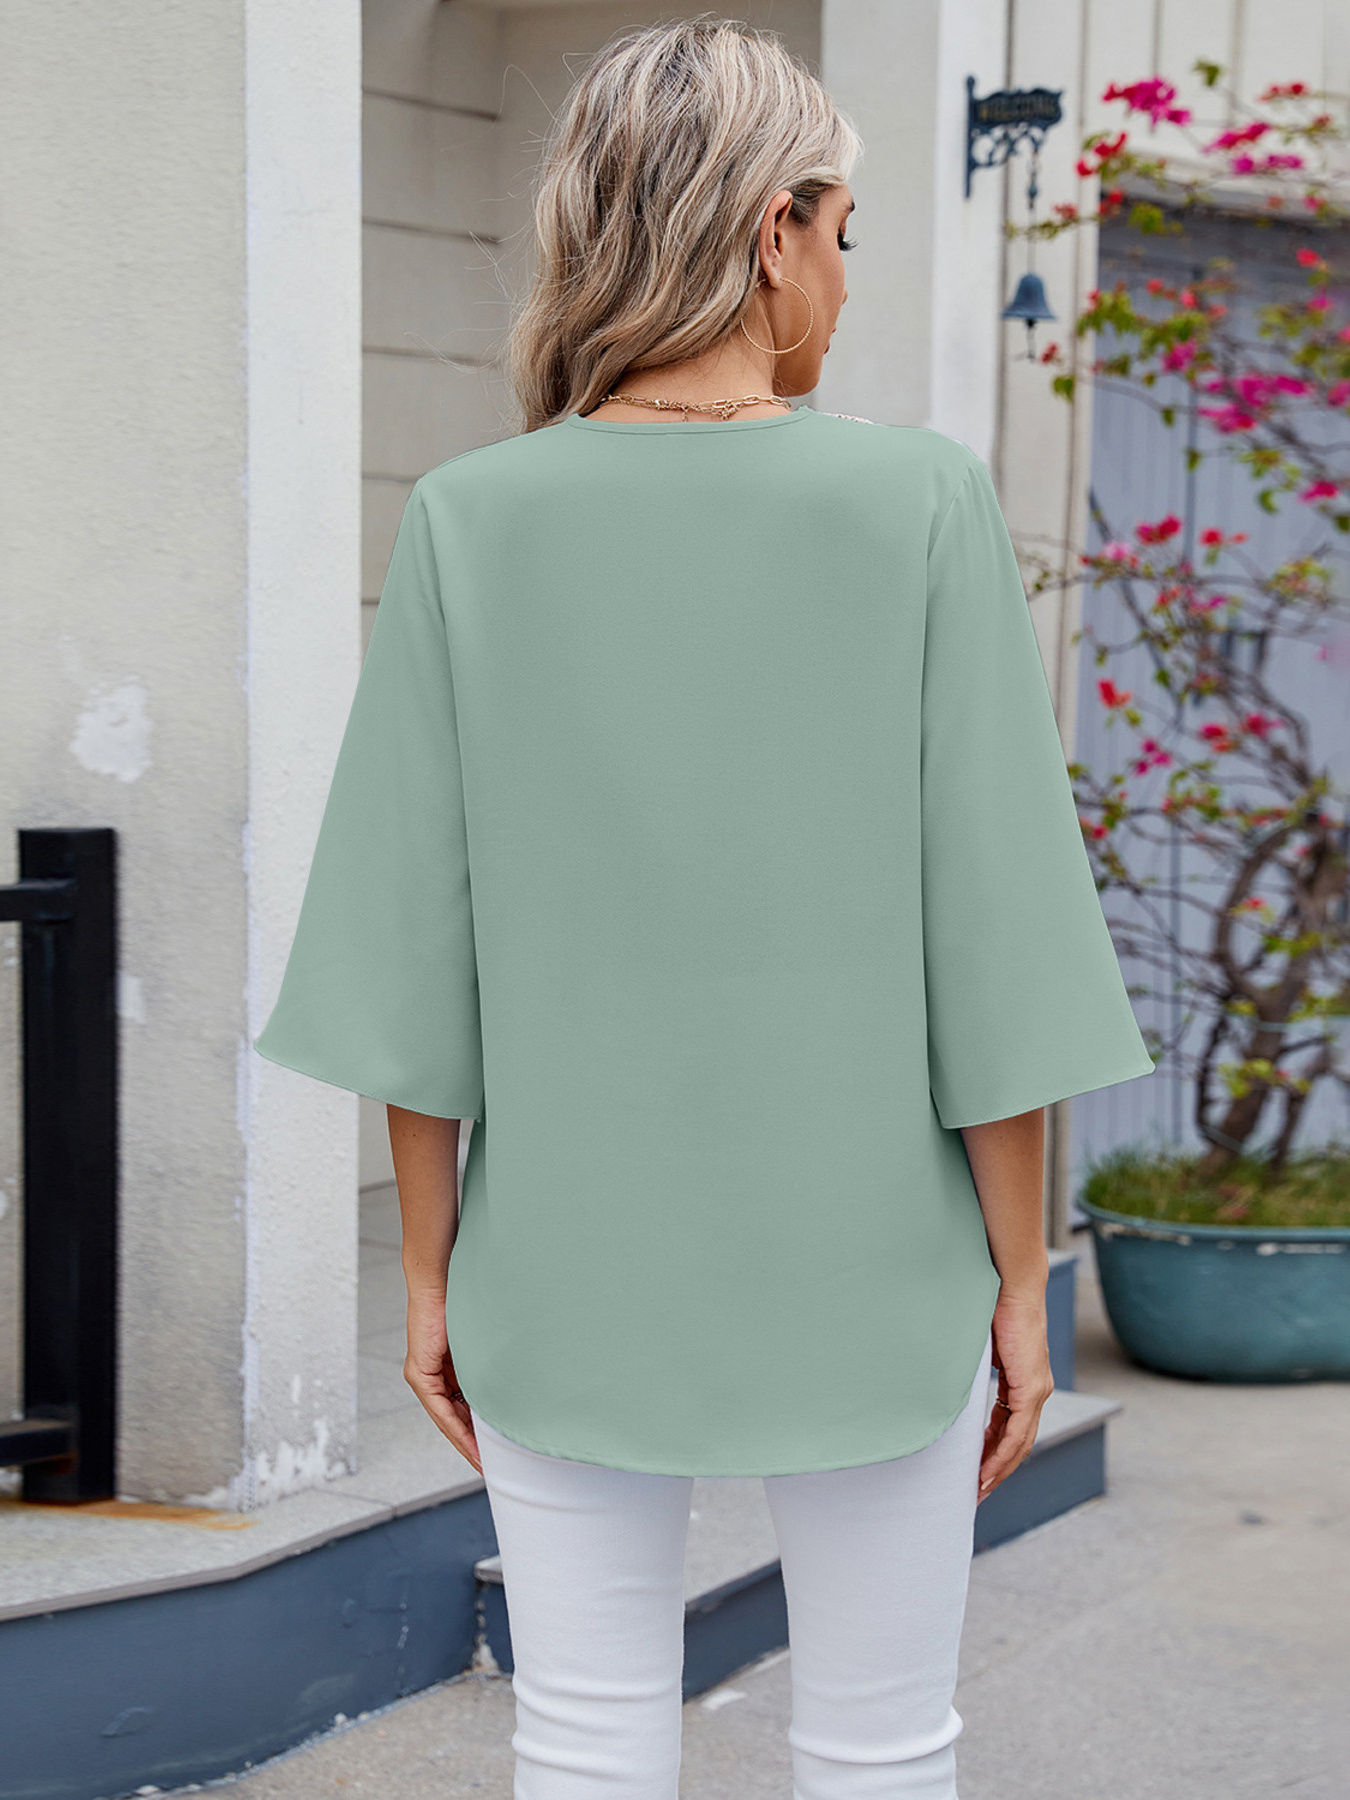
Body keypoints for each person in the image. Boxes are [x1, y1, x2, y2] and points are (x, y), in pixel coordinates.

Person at [254, 18, 1155, 1798]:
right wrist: (1018, 1280)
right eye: (842, 231)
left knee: (582, 1739)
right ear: (770, 229)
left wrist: (429, 1275)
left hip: (562, 1260)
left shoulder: (470, 519)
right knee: (883, 1744)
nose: (844, 277)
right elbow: (993, 943)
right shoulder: (916, 501)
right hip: (875, 1262)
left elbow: (409, 950)